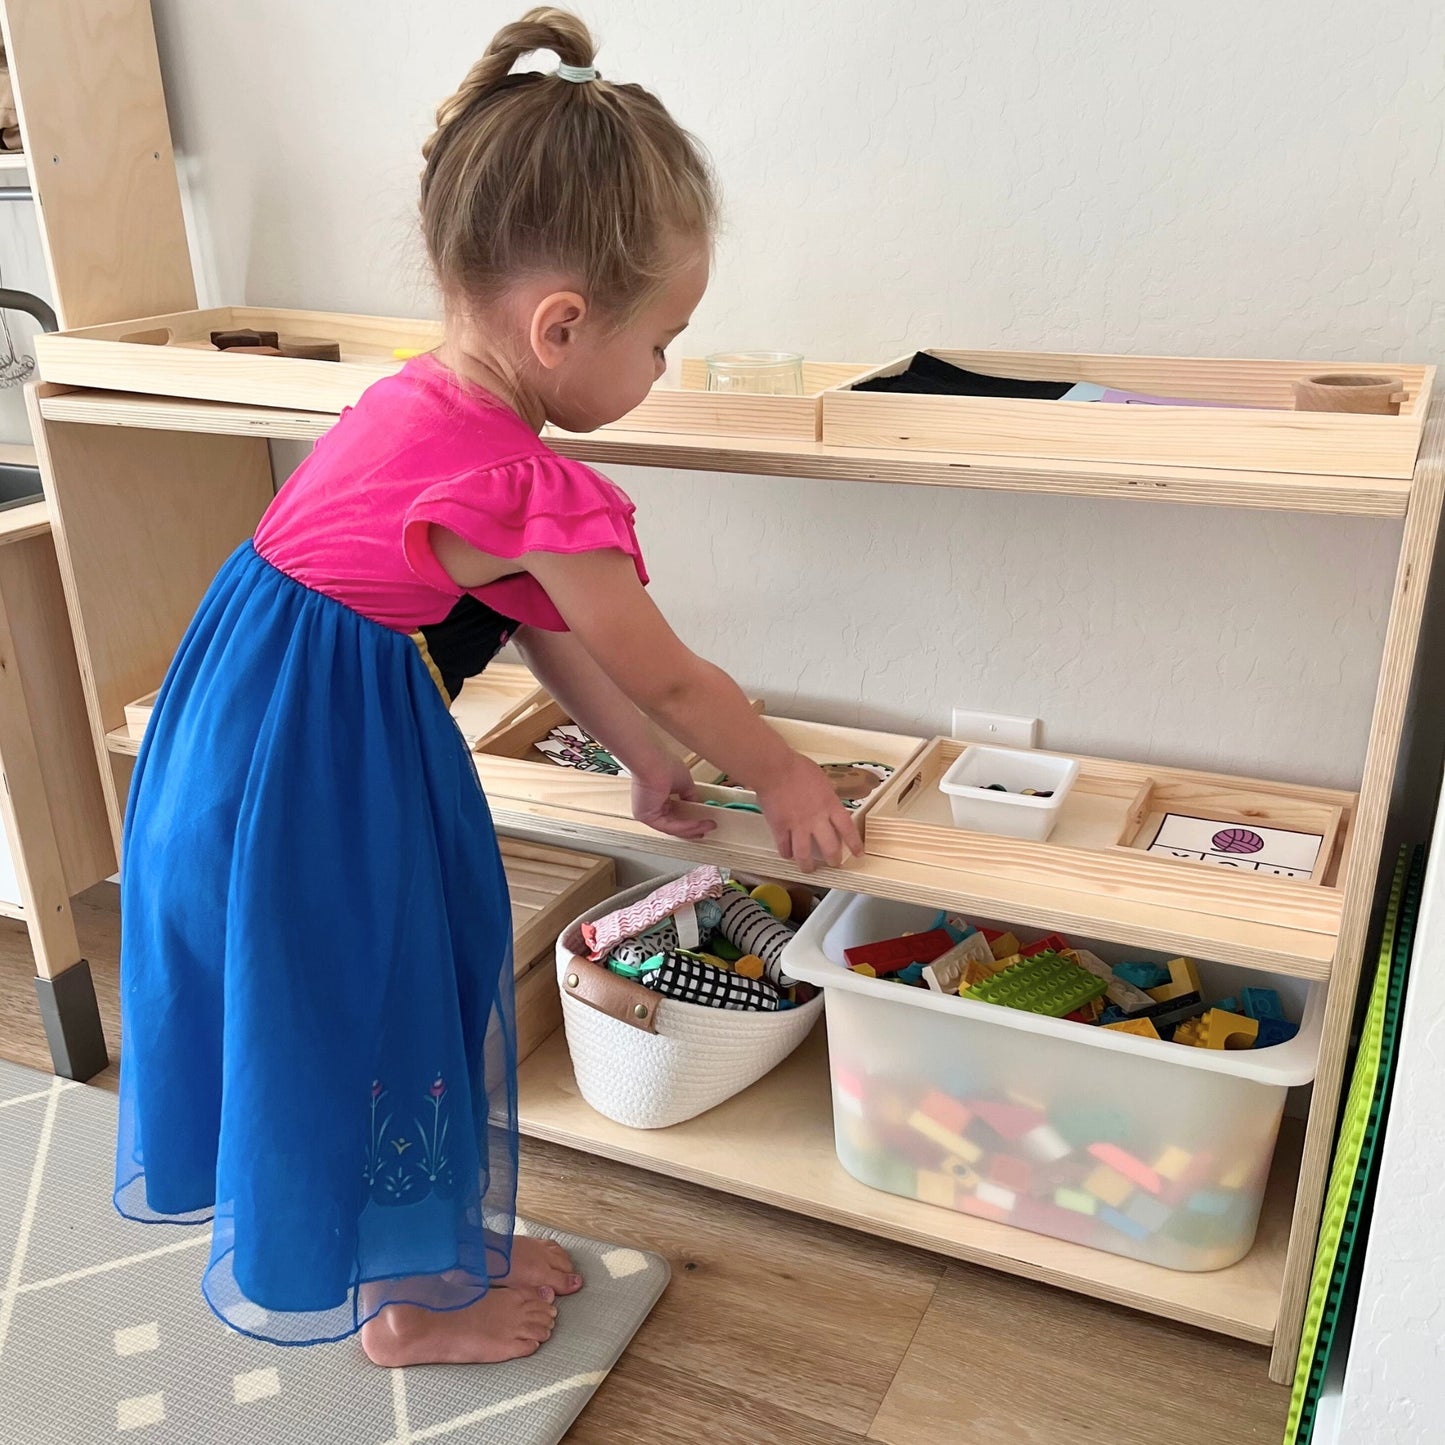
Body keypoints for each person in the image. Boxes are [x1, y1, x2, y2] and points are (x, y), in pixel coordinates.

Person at [116, 5, 860, 1368]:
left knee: (377, 994)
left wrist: (642, 762)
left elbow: (538, 624)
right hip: (315, 777)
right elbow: (665, 668)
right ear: (562, 325)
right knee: (383, 1004)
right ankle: (406, 1308)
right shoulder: (525, 480)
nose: (663, 369)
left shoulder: (422, 406)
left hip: (245, 740)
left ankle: (432, 1240)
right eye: (662, 341)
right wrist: (780, 773)